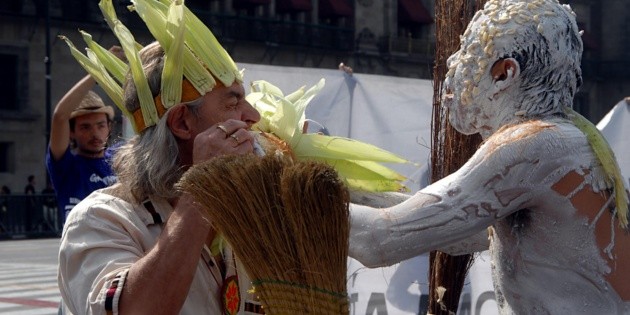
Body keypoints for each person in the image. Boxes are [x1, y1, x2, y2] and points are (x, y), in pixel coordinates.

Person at [349, 0, 630, 313]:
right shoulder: (571, 137)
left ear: (504, 73)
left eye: (468, 50)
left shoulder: (532, 143)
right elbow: (450, 233)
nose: (452, 62)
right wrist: (342, 188)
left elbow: (378, 240)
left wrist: (289, 187)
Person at [58, 1, 265, 314]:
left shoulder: (243, 217)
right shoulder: (100, 219)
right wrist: (203, 187)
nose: (254, 116)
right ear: (182, 122)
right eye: (233, 102)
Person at [46, 47, 122, 223]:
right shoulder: (65, 166)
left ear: (109, 127)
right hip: (82, 248)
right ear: (71, 132)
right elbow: (59, 116)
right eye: (85, 127)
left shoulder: (120, 157)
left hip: (120, 245)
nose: (95, 133)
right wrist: (100, 69)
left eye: (100, 125)